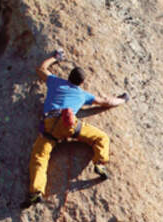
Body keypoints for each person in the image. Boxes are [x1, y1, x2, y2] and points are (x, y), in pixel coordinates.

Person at [21, 50, 127, 208]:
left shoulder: (55, 82)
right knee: (101, 138)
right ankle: (100, 163)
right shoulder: (83, 95)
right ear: (81, 83)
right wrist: (122, 99)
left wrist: (55, 58)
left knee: (39, 158)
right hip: (69, 125)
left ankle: (36, 191)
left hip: (49, 126)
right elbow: (106, 102)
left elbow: (41, 69)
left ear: (69, 76)